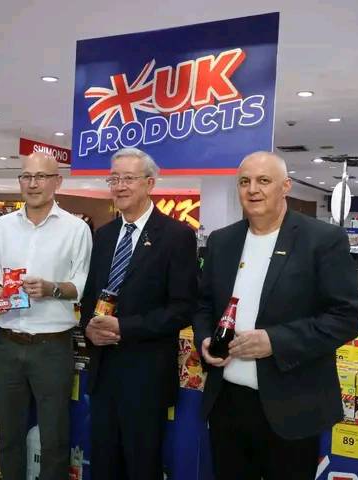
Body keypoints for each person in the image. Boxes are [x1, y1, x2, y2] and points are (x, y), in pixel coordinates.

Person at [193, 151, 358, 480]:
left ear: (285, 186)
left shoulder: (322, 240)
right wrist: (204, 339)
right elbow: (203, 304)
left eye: (263, 181)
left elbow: (347, 317)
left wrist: (275, 341)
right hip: (227, 402)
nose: (252, 189)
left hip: (293, 405)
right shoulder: (222, 240)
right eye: (244, 182)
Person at [80, 147, 198, 480]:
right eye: (114, 179)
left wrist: (124, 327)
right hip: (103, 372)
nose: (120, 186)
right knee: (103, 464)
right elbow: (90, 297)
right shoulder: (103, 236)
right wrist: (89, 326)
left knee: (142, 466)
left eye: (128, 178)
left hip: (146, 375)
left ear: (149, 183)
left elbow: (183, 308)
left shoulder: (177, 236)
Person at [0, 153, 92, 480]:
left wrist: (51, 288)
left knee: (54, 436)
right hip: (7, 342)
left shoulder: (76, 229)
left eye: (41, 177)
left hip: (52, 346)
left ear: (57, 181)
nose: (33, 183)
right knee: (8, 434)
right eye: (26, 176)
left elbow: (82, 285)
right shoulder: (2, 226)